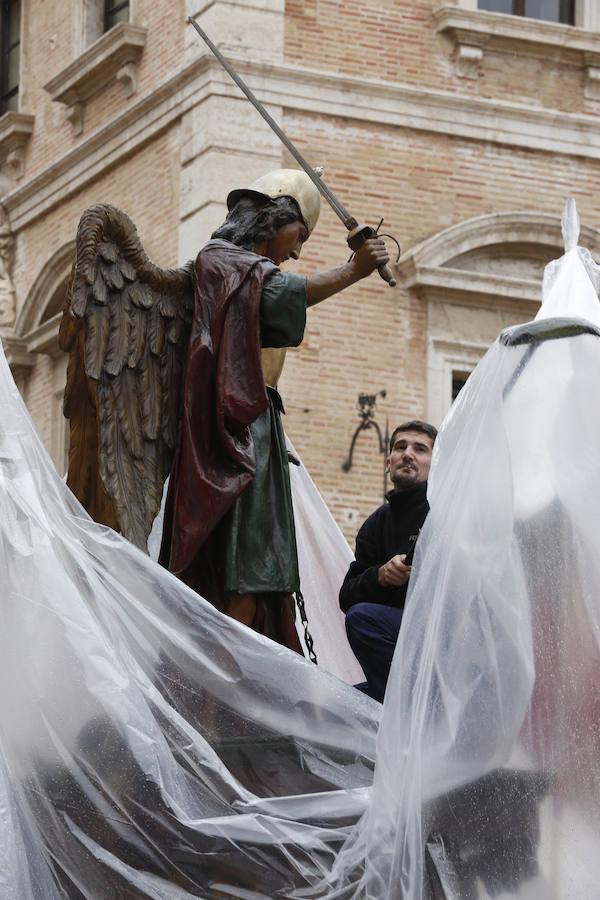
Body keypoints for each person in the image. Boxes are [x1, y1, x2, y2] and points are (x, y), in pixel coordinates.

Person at [159, 168, 390, 653]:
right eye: (300, 235)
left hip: (256, 428)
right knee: (245, 566)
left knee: (263, 571)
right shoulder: (219, 262)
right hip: (230, 437)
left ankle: (241, 680)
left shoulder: (243, 269)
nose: (299, 250)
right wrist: (353, 271)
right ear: (274, 217)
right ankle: (219, 686)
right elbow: (278, 294)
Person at [339, 420, 437, 700]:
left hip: (441, 646)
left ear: (437, 463)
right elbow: (346, 596)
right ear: (388, 461)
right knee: (333, 708)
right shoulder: (376, 523)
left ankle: (412, 710)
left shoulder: (445, 514)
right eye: (400, 447)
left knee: (363, 619)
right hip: (400, 657)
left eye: (420, 449)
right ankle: (404, 708)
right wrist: (380, 577)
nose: (408, 454)